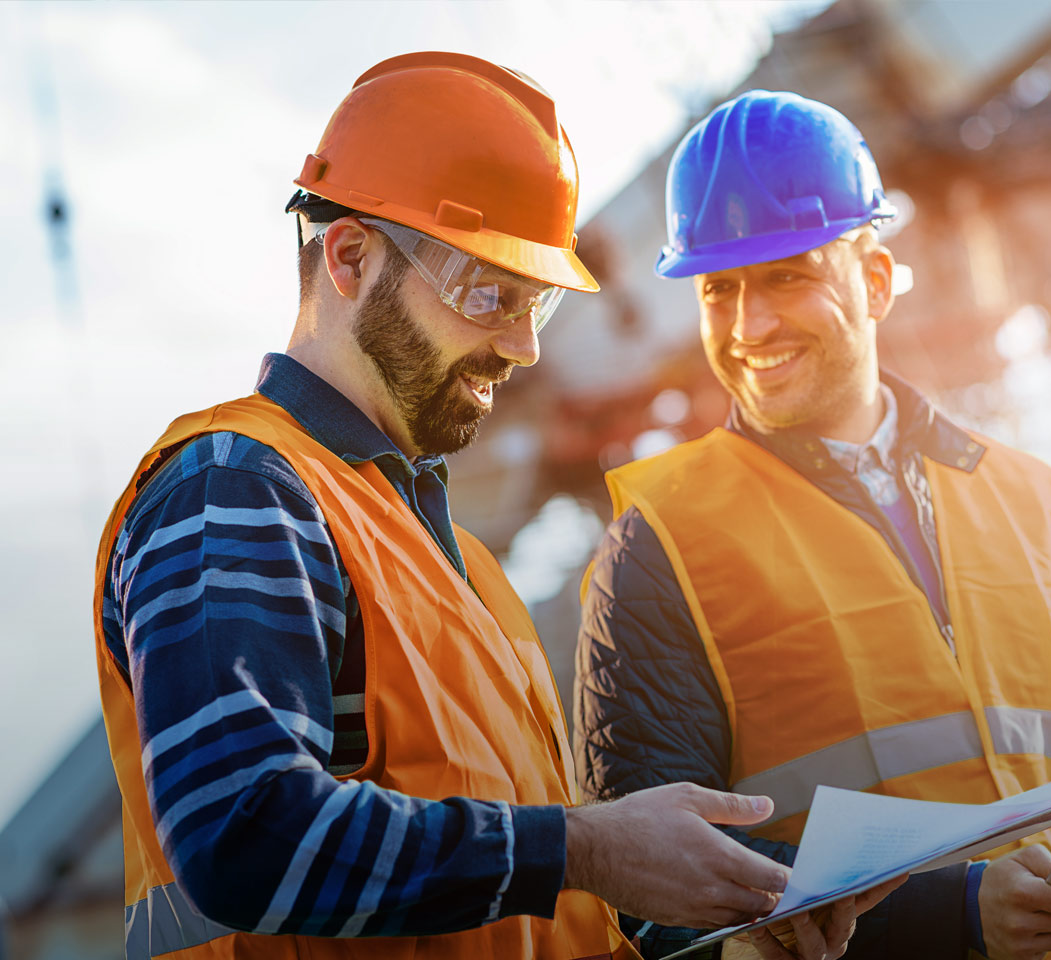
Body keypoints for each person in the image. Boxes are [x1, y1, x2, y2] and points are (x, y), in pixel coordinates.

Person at [91, 55, 907, 960]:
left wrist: (724, 923)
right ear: (351, 257)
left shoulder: (457, 565)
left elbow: (524, 902)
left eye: (539, 306)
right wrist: (590, 847)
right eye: (490, 296)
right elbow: (242, 834)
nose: (521, 348)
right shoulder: (238, 485)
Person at [574, 90, 1051, 960]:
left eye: (787, 276)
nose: (750, 326)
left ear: (874, 281)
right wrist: (951, 916)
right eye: (720, 290)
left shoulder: (1028, 493)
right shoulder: (660, 545)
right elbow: (656, 891)